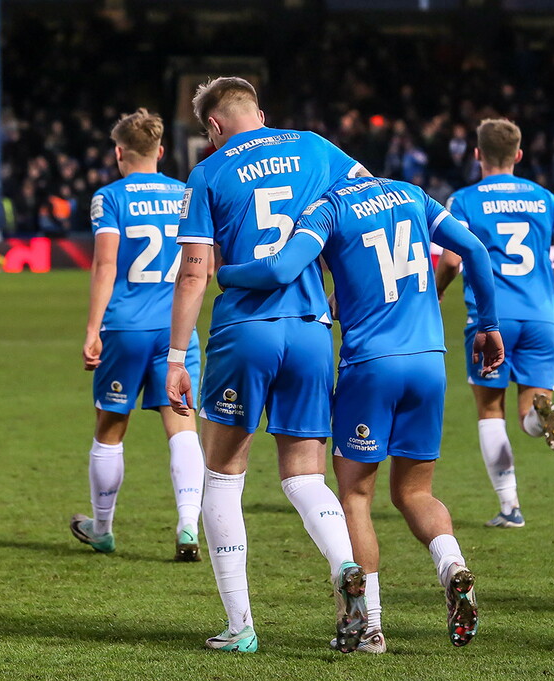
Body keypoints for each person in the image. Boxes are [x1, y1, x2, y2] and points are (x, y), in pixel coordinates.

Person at [217, 175, 504, 652]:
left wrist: (225, 274)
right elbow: (473, 249)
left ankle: (371, 628)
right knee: (415, 493)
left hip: (370, 367)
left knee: (355, 496)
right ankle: (453, 565)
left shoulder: (329, 207)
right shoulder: (412, 194)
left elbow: (281, 268)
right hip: (429, 364)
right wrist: (488, 324)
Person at [165, 77, 369, 654]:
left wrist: (177, 358)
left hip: (244, 332)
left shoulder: (207, 172)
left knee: (223, 476)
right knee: (305, 477)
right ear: (259, 111)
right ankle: (345, 564)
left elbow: (195, 273)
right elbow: (369, 204)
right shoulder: (314, 147)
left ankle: (241, 627)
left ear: (213, 126)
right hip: (310, 328)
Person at [436, 119, 554, 528]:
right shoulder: (545, 198)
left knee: (491, 410)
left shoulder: (464, 200)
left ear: (477, 154)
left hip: (491, 320)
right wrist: (548, 278)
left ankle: (510, 508)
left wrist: (438, 290)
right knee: (527, 414)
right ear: (519, 154)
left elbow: (451, 258)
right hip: (541, 317)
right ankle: (541, 415)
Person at [69, 109, 205, 564]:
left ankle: (102, 528)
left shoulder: (109, 197)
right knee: (182, 425)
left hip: (125, 327)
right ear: (161, 151)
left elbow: (105, 264)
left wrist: (93, 329)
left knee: (110, 427)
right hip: (176, 328)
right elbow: (203, 264)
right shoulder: (186, 193)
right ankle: (188, 524)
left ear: (118, 152)